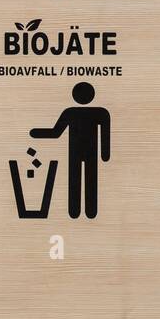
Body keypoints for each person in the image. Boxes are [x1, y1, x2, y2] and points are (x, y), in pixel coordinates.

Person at [30, 81, 110, 219]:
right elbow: (105, 135)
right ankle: (87, 212)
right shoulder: (100, 112)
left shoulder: (72, 112)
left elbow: (55, 132)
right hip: (88, 152)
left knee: (77, 179)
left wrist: (35, 133)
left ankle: (76, 211)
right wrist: (105, 154)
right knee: (88, 179)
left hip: (77, 152)